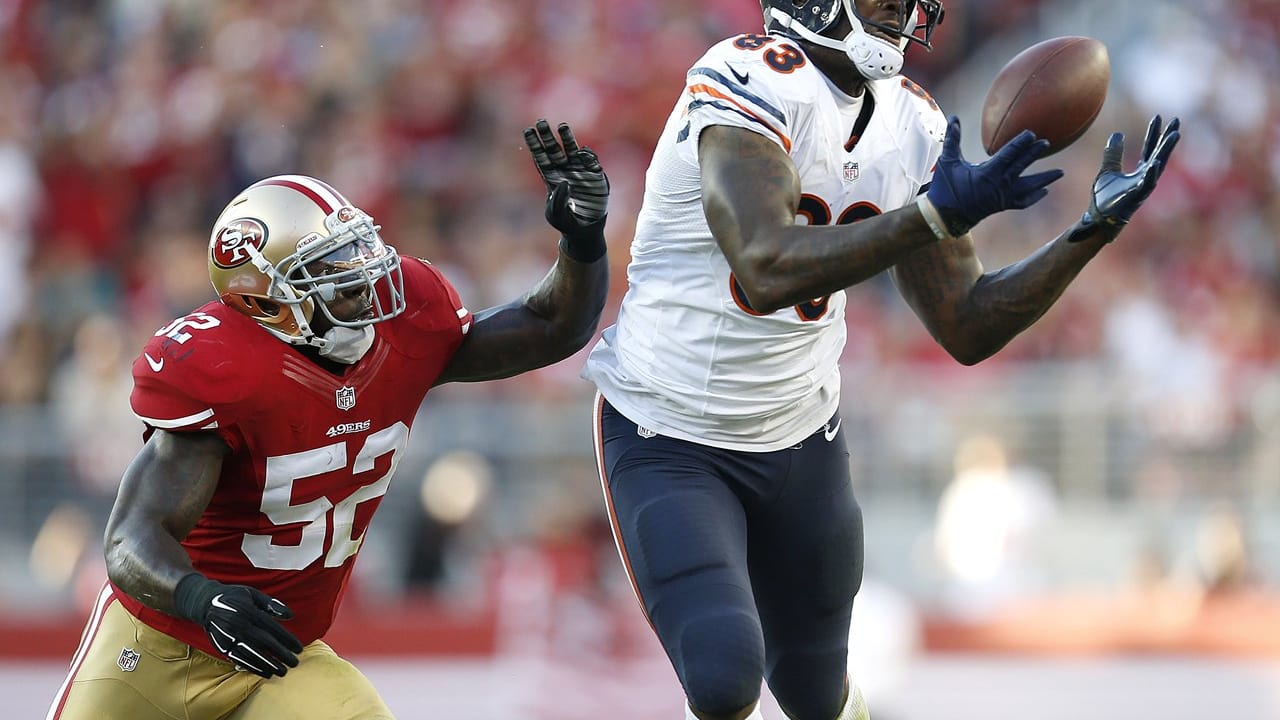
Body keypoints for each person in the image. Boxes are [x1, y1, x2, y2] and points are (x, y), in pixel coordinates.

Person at [581, 2, 1180, 719]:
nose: (901, 5)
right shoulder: (745, 75)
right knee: (722, 681)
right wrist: (930, 216)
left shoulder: (914, 123)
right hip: (669, 432)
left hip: (800, 435)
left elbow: (968, 324)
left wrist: (1091, 232)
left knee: (816, 698)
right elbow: (766, 264)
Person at [47, 119, 610, 720]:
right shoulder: (225, 369)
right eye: (330, 267)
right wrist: (202, 599)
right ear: (267, 298)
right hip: (159, 644)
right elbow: (130, 538)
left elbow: (554, 327)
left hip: (278, 655)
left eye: (356, 250)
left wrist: (582, 240)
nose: (365, 279)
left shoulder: (401, 330)